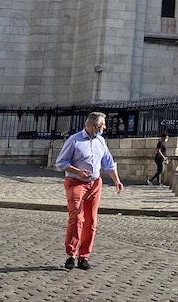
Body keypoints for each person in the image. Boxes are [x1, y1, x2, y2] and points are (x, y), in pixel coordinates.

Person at [55, 112, 123, 271]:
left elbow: (108, 163)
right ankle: (70, 255)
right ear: (95, 126)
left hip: (95, 184)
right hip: (76, 183)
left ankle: (84, 257)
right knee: (77, 218)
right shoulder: (74, 140)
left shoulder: (101, 141)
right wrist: (77, 171)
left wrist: (116, 181)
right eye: (103, 124)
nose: (105, 127)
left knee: (91, 222)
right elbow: (60, 162)